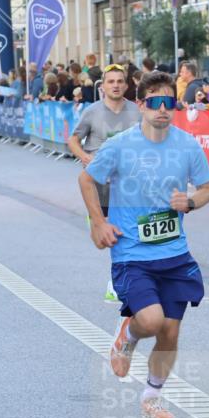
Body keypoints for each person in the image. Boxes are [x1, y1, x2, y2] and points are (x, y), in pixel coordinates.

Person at [79, 71, 209, 418]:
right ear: (141, 106)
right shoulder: (120, 145)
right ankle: (129, 333)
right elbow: (87, 179)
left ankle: (152, 398)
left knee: (170, 331)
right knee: (151, 321)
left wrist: (191, 202)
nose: (162, 110)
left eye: (169, 103)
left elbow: (206, 188)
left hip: (175, 254)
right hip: (132, 254)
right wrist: (98, 222)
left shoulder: (187, 145)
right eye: (154, 102)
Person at [68, 64, 141, 302]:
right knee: (107, 235)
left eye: (120, 81)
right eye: (111, 81)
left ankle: (118, 281)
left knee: (128, 232)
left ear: (126, 85)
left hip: (129, 184)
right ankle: (121, 277)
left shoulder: (137, 112)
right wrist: (84, 156)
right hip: (99, 184)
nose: (116, 85)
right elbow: (73, 140)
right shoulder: (92, 111)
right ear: (103, 86)